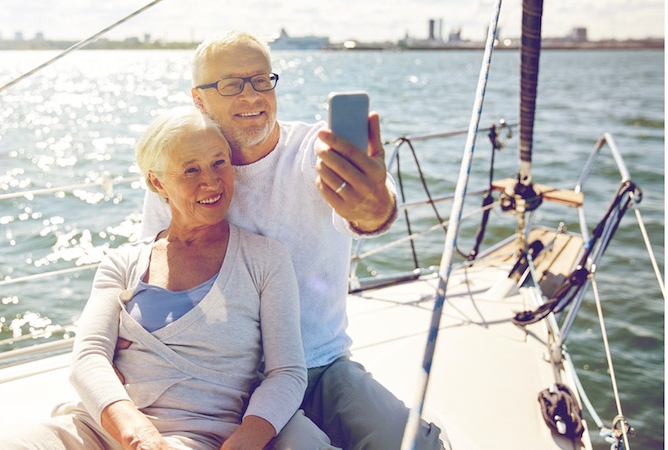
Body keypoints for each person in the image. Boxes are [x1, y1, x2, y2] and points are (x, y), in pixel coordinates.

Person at [0, 107, 331, 450]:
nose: (211, 182)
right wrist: (137, 436)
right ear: (158, 183)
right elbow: (89, 358)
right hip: (99, 430)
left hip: (198, 437)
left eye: (219, 163)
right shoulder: (123, 262)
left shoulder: (264, 259)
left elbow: (286, 373)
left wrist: (243, 443)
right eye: (190, 169)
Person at [139, 31, 444, 450]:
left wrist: (373, 208)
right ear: (199, 99)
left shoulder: (314, 153)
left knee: (412, 442)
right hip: (226, 379)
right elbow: (154, 275)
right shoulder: (181, 173)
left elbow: (370, 214)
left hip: (321, 364)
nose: (251, 96)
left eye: (261, 80)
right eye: (231, 84)